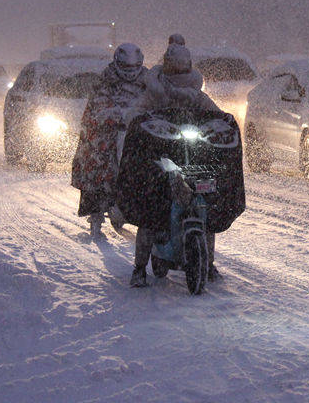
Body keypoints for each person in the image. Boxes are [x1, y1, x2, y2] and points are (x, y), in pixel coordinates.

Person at [129, 35, 223, 287]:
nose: (180, 71)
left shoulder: (196, 94)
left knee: (207, 204)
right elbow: (137, 110)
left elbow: (216, 113)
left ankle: (209, 262)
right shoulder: (156, 90)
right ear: (168, 64)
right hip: (161, 156)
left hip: (194, 156)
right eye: (176, 66)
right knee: (151, 207)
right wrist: (138, 120)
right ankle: (139, 267)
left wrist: (223, 121)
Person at [71, 43, 148, 238]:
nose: (130, 73)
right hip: (107, 131)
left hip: (136, 132)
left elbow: (155, 99)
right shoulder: (105, 80)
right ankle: (95, 210)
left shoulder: (148, 80)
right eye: (126, 68)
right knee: (96, 158)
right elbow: (97, 104)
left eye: (133, 68)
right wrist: (108, 114)